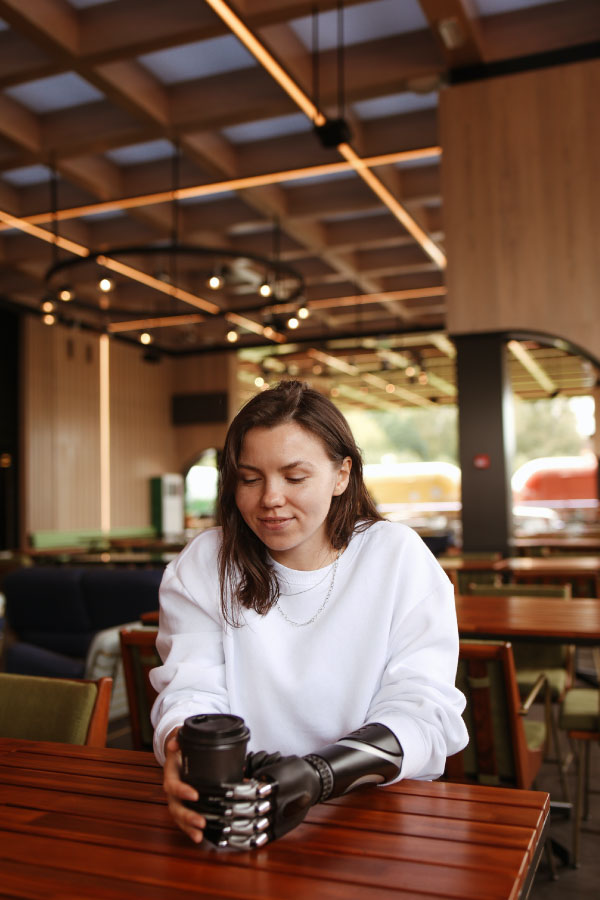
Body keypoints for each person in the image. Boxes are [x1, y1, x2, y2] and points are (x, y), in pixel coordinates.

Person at [150, 380, 468, 848]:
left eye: (294, 477)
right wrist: (186, 746)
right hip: (246, 813)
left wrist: (320, 775)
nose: (270, 499)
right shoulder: (203, 564)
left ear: (341, 474)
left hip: (377, 816)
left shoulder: (395, 556)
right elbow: (191, 691)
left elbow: (424, 710)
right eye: (249, 478)